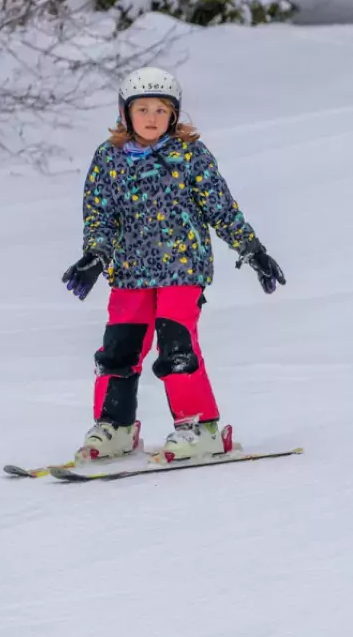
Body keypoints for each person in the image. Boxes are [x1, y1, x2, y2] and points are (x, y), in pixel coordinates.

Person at [60, 67, 286, 463]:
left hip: (182, 268)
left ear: (174, 115)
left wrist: (253, 250)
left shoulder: (190, 155)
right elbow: (100, 214)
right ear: (125, 112)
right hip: (129, 272)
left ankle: (200, 427)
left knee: (176, 343)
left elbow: (221, 209)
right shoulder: (108, 157)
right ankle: (116, 426)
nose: (151, 117)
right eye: (142, 108)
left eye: (161, 110)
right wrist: (95, 255)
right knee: (118, 349)